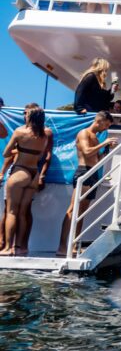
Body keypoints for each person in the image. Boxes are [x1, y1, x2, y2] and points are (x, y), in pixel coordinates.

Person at [57, 111, 117, 257]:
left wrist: (107, 149)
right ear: (100, 121)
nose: (106, 128)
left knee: (81, 213)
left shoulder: (96, 137)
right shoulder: (84, 133)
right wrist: (105, 143)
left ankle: (74, 244)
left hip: (93, 173)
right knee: (73, 210)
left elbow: (97, 158)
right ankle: (62, 246)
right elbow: (87, 152)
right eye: (106, 125)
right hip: (84, 172)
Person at [1, 107, 49, 255]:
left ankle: (8, 248)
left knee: (11, 211)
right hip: (34, 174)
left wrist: (19, 150)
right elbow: (41, 156)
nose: (25, 116)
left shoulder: (20, 132)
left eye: (27, 114)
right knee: (23, 213)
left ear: (31, 117)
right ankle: (20, 248)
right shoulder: (44, 136)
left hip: (20, 171)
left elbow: (6, 153)